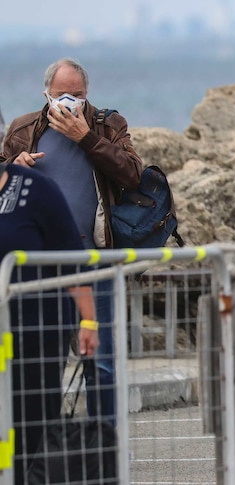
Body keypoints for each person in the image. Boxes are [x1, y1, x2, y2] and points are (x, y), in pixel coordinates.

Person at [0, 57, 143, 423]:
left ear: (87, 94)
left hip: (93, 261)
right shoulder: (22, 128)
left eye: (76, 95)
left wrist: (86, 138)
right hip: (37, 267)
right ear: (46, 94)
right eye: (61, 95)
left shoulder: (108, 125)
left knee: (102, 360)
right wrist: (14, 164)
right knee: (39, 361)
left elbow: (131, 175)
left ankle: (105, 444)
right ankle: (39, 445)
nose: (69, 102)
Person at [0, 162, 99, 483]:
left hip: (37, 335)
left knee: (31, 429)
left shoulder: (35, 189)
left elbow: (70, 256)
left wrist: (89, 321)